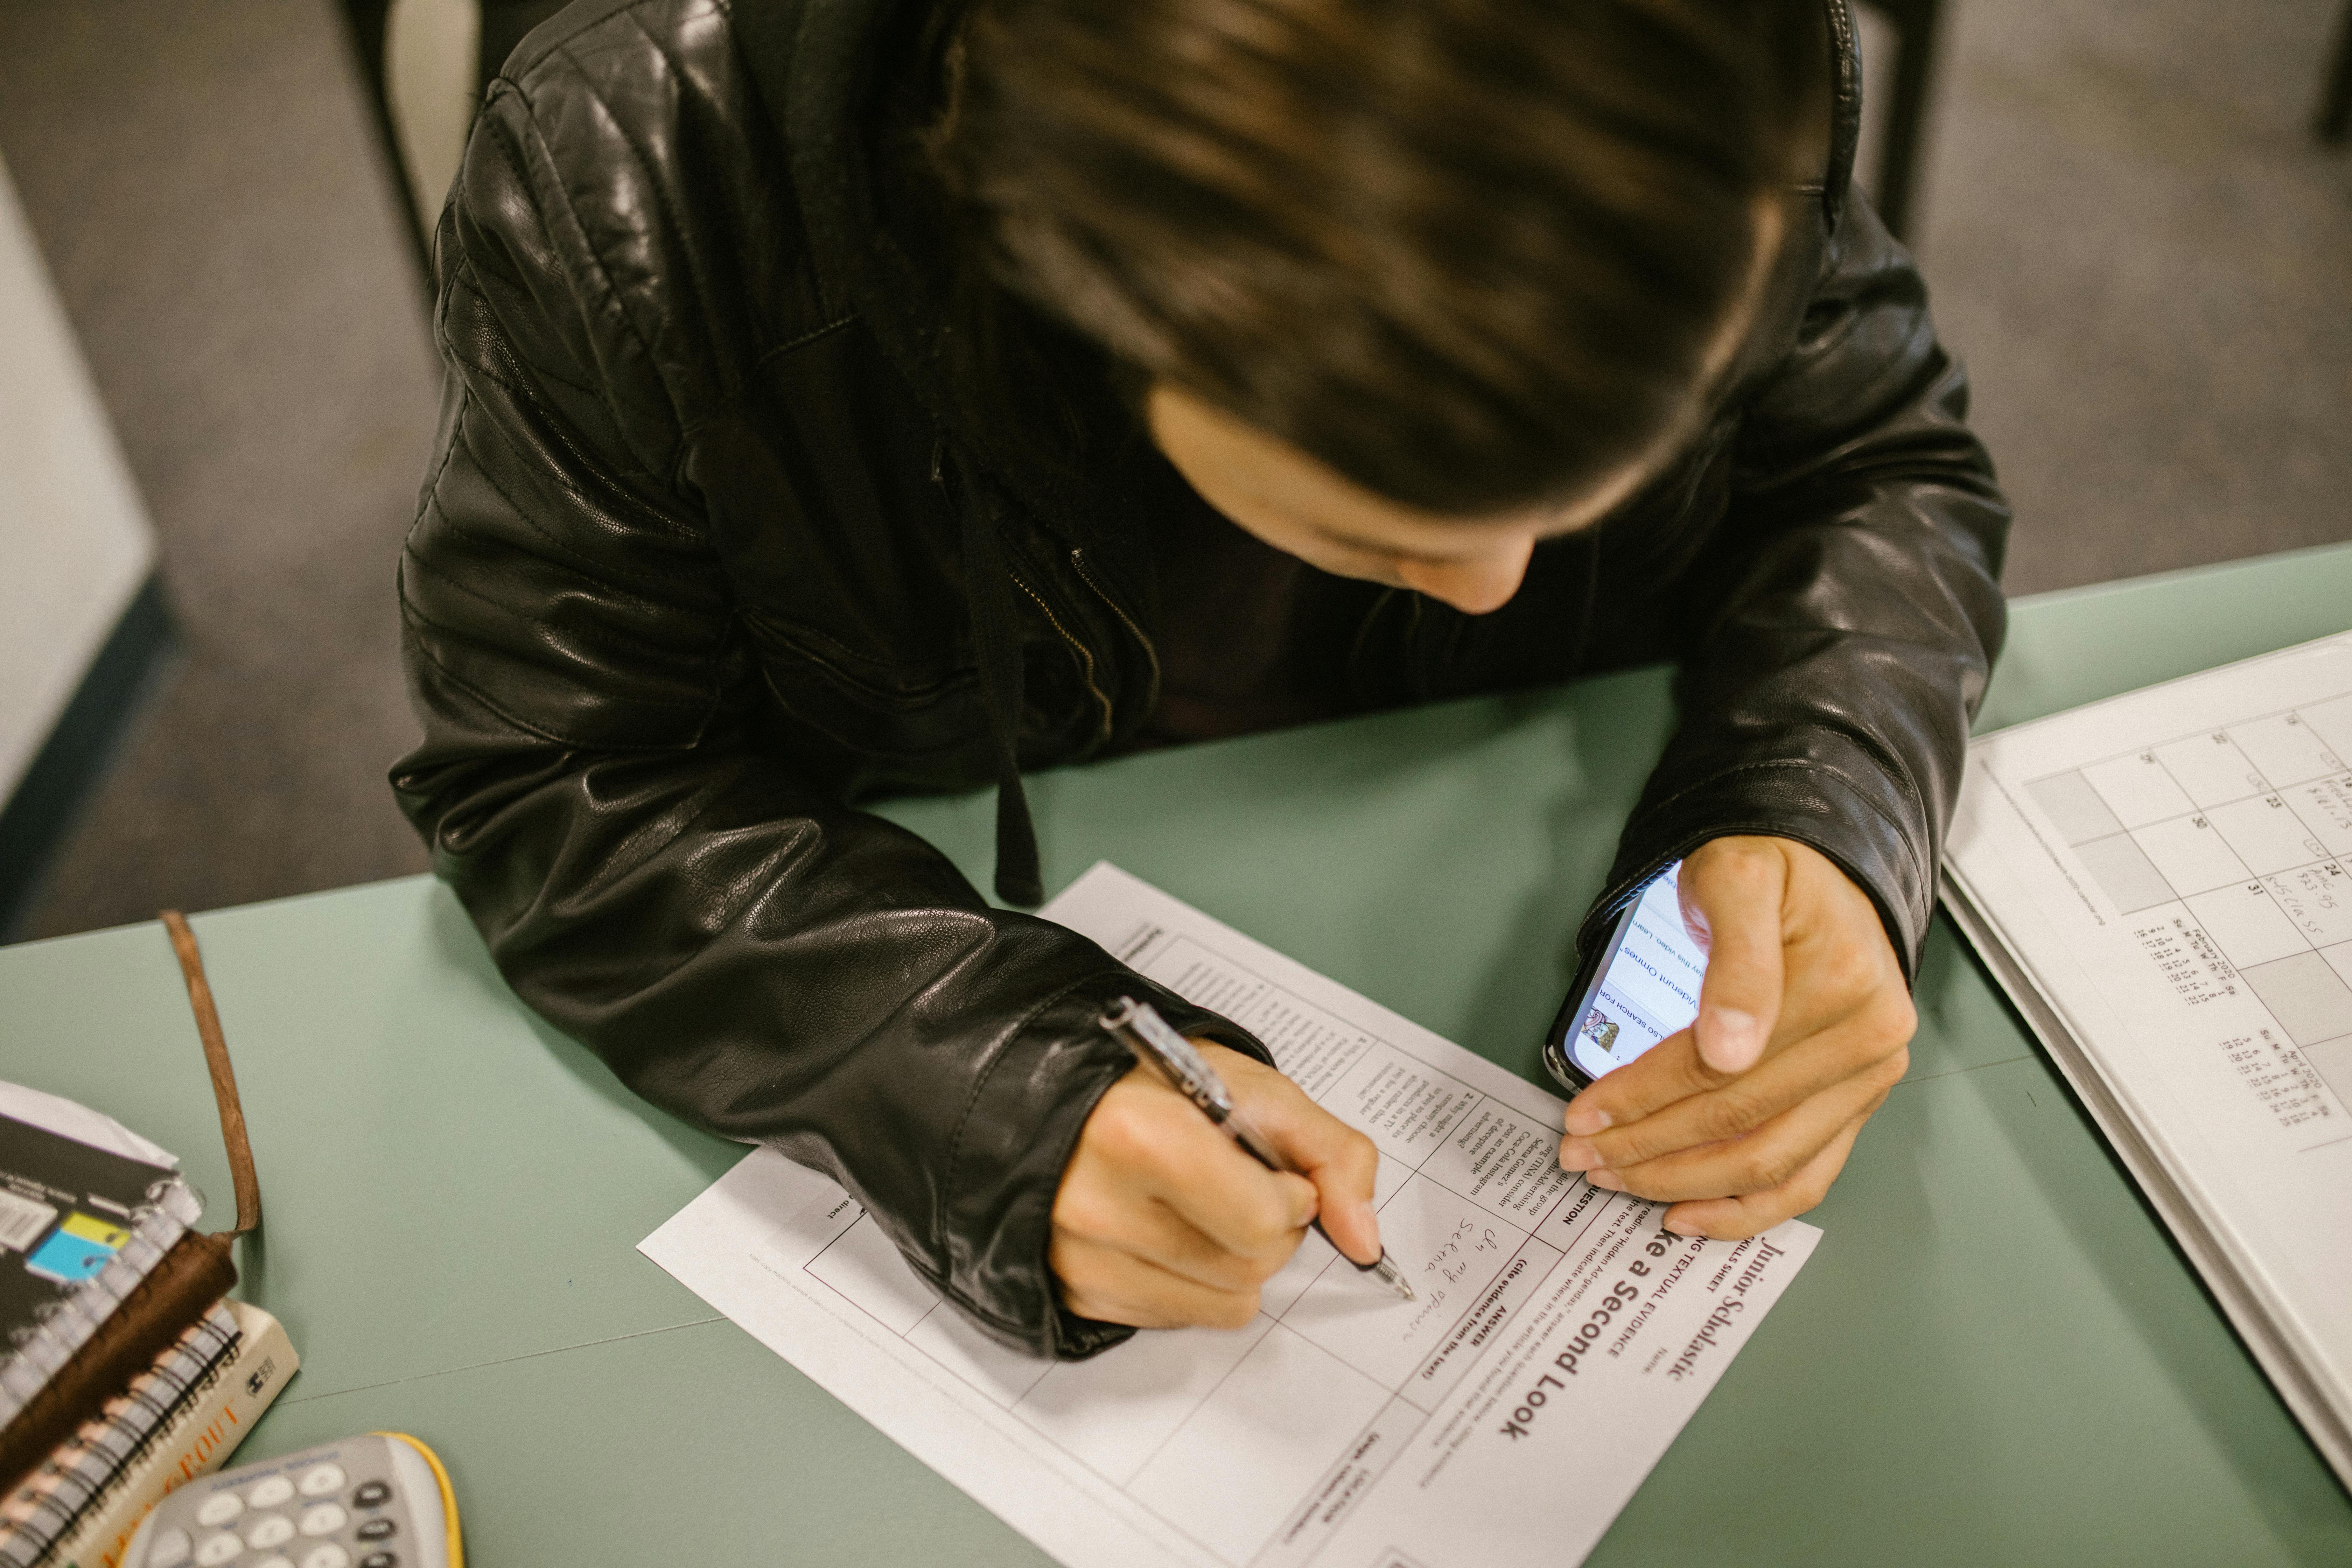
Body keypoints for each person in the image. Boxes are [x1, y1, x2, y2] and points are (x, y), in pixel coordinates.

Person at [391, 0, 2008, 1357]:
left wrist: (1827, 797)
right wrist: (982, 1083)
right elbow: (563, 770)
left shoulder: (1674, 81)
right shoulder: (642, 188)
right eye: (1375, 515)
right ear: (1069, 263)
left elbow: (1873, 458)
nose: (1506, 579)